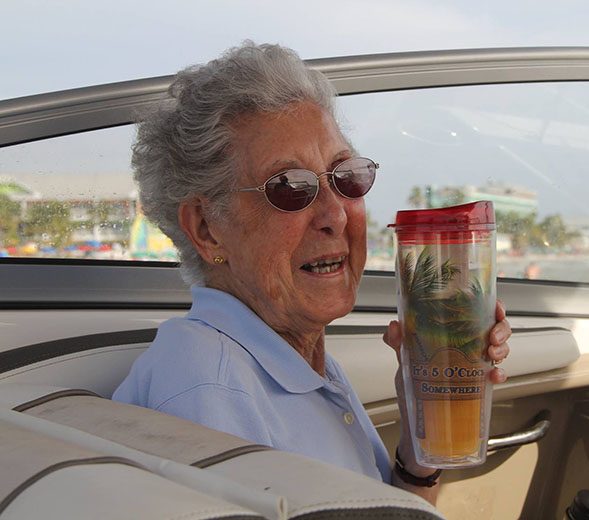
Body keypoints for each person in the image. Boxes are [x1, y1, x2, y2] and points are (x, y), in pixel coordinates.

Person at [112, 42, 510, 504]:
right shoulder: (207, 388)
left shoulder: (293, 361)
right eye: (290, 187)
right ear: (207, 229)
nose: (336, 215)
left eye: (347, 177)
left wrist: (421, 445)